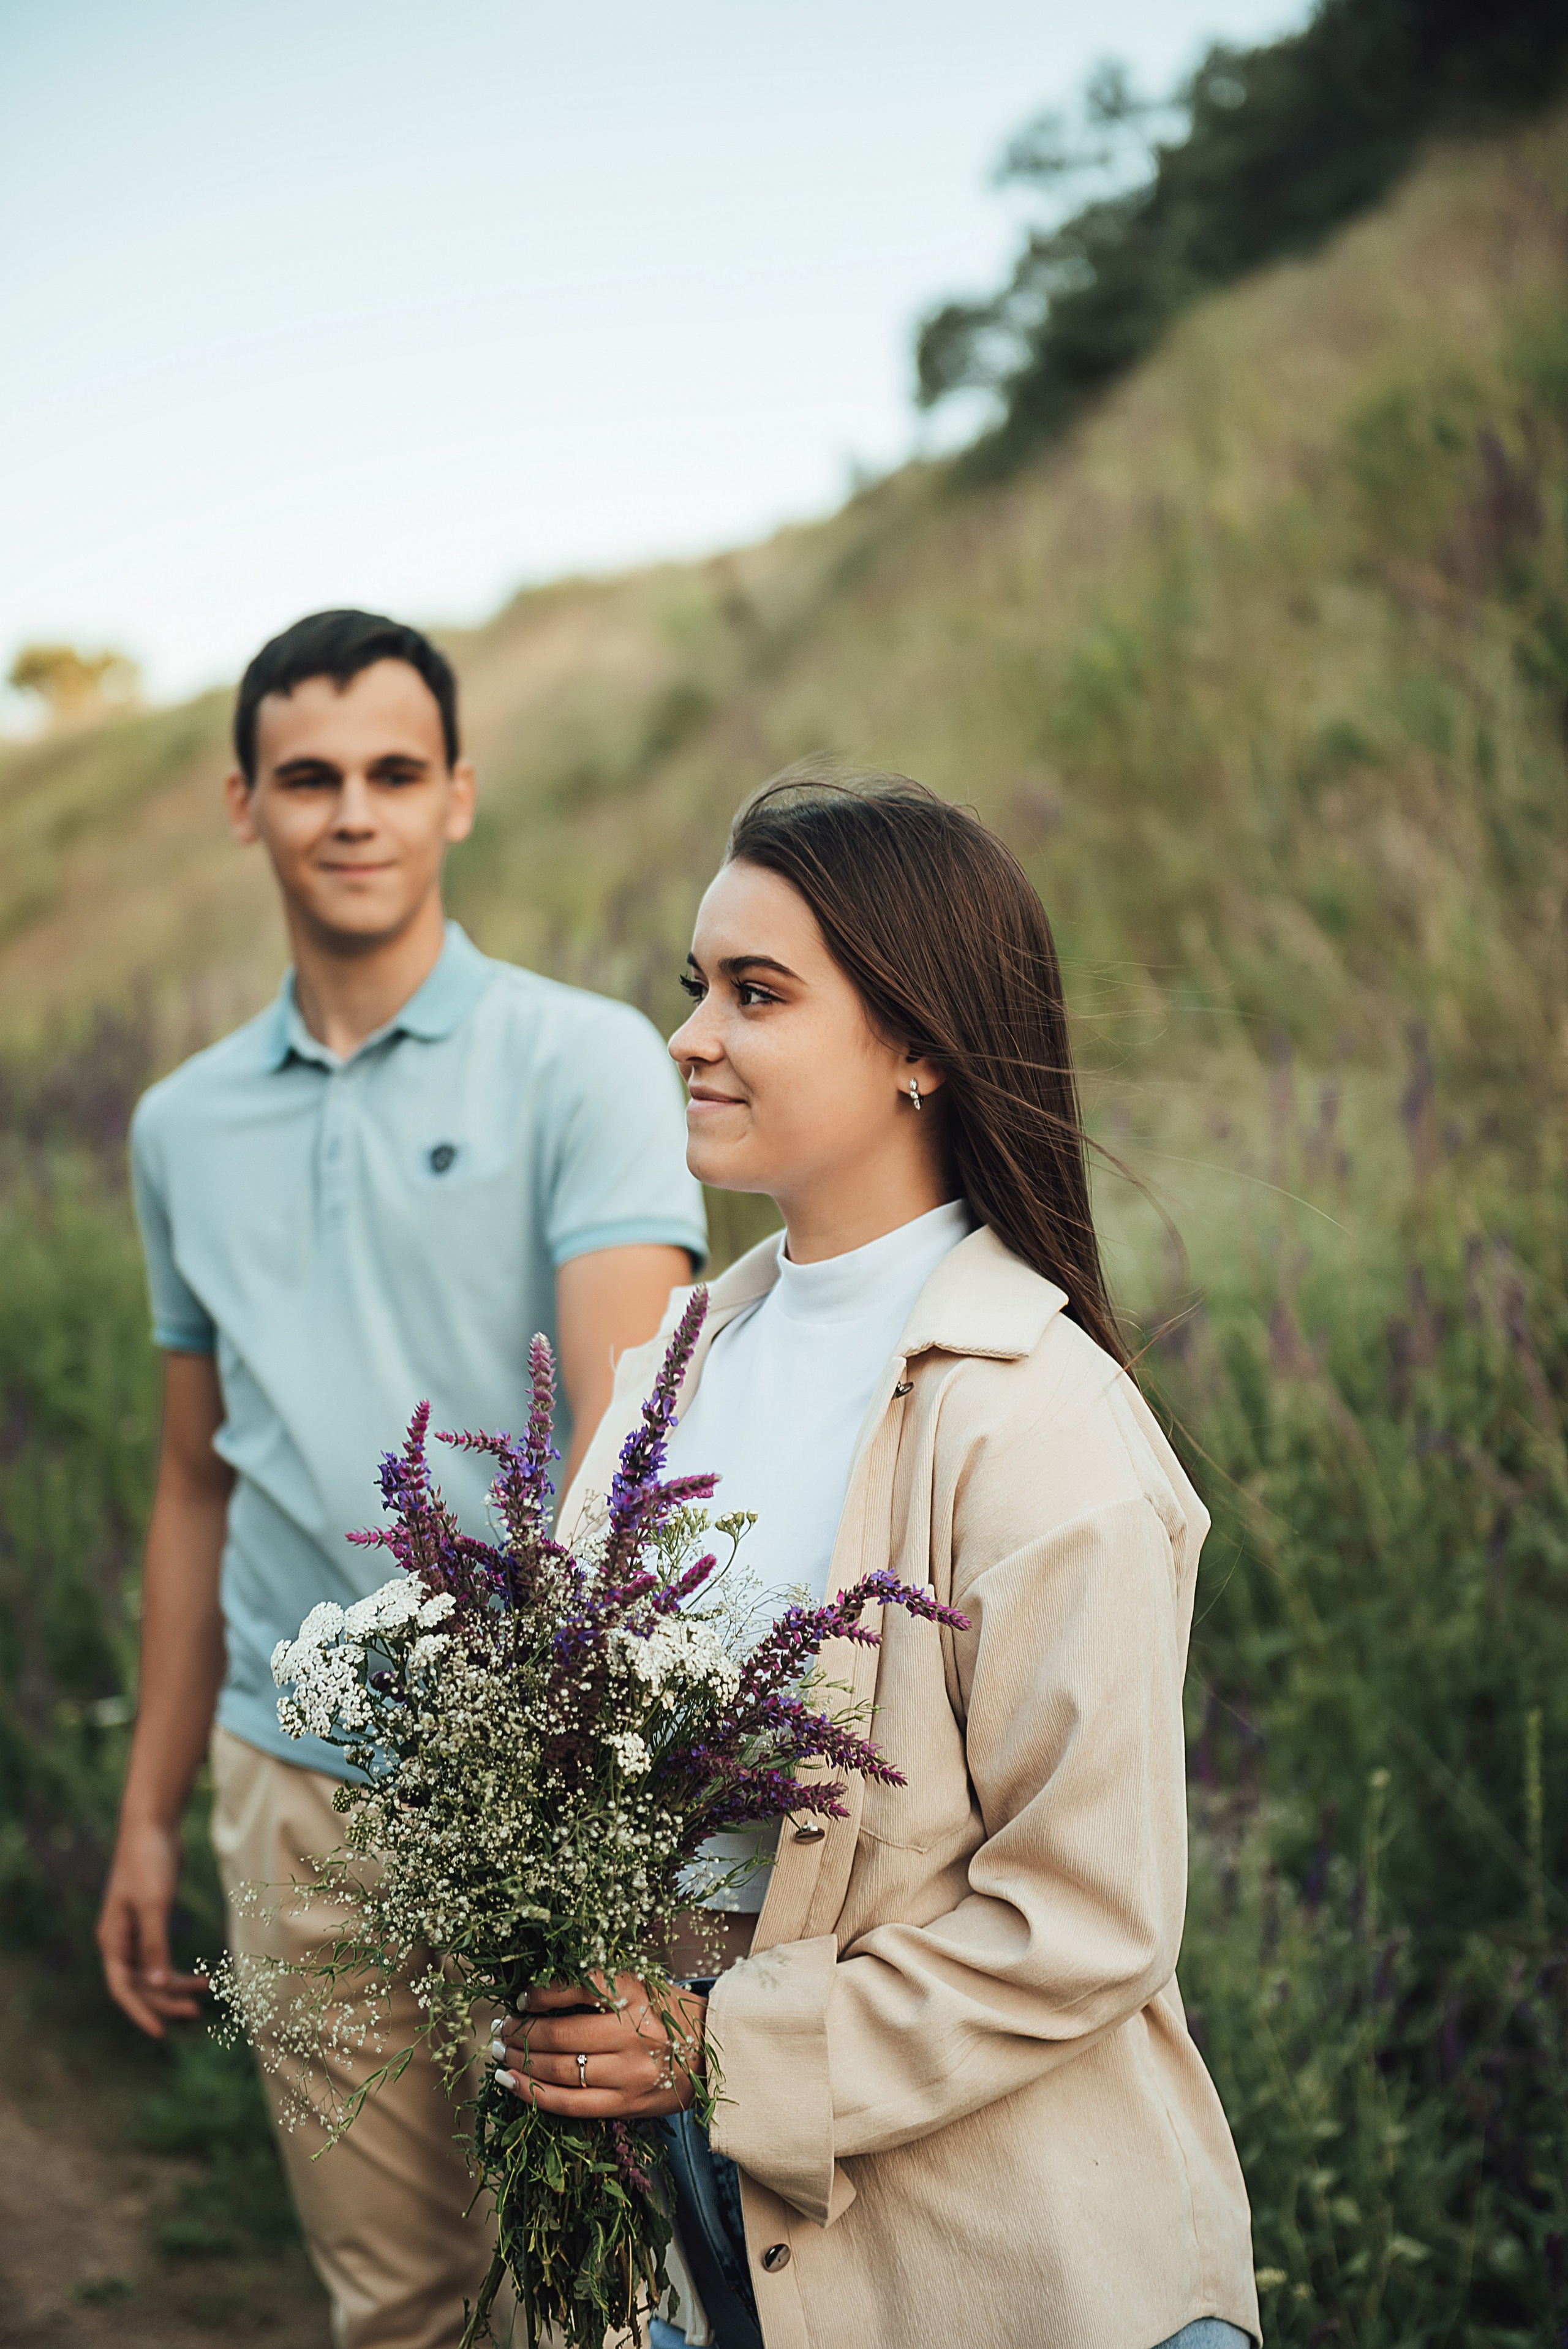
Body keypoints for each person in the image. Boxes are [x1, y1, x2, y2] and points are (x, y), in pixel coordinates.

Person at [494, 771, 1261, 2349]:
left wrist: (719, 2049)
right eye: (694, 986)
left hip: (999, 2259)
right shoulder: (676, 1371)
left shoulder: (1041, 1425)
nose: (690, 1036)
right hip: (690, 2229)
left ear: (920, 1047)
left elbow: (1088, 1923)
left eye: (755, 994)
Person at [96, 609, 707, 2349]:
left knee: (592, 2307)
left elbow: (627, 1454)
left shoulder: (583, 1059)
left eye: (390, 773)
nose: (350, 812)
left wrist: (588, 1806)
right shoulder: (177, 1128)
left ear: (457, 795)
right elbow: (190, 1484)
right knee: (397, 2304)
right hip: (288, 1792)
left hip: (540, 1785)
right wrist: (150, 1810)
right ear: (246, 807)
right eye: (309, 778)